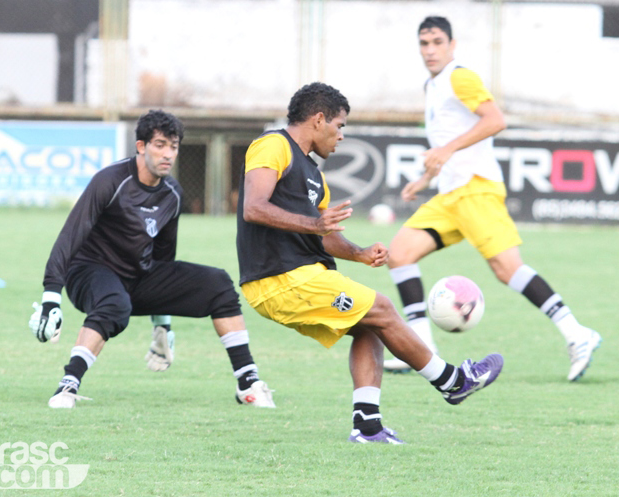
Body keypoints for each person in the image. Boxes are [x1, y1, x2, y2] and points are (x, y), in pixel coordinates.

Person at [237, 82, 503, 444]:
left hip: (301, 276)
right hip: (280, 279)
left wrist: (359, 253)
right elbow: (254, 206)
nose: (341, 135)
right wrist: (314, 224)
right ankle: (452, 382)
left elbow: (326, 236)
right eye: (340, 125)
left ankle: (368, 427)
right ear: (318, 120)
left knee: (369, 326)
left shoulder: (314, 176)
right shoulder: (273, 145)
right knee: (381, 307)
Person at [382, 16, 602, 381]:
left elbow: (495, 120)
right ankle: (420, 347)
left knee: (507, 269)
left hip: (476, 190)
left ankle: (577, 334)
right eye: (424, 43)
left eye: (437, 42)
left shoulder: (459, 77)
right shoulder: (431, 85)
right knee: (399, 255)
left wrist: (447, 150)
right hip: (449, 194)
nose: (430, 50)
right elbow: (447, 140)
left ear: (452, 45)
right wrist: (426, 177)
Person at [29, 109, 275, 409]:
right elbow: (69, 238)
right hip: (89, 274)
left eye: (173, 146)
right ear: (141, 146)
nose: (167, 154)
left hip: (137, 277)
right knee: (114, 305)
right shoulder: (110, 180)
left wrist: (162, 324)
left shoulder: (173, 194)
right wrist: (51, 298)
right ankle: (67, 386)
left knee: (219, 285)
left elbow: (162, 259)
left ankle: (247, 383)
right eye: (160, 145)